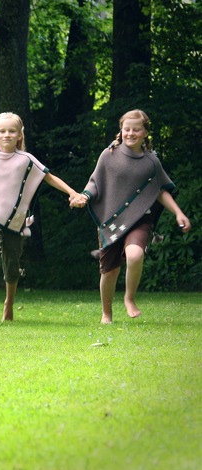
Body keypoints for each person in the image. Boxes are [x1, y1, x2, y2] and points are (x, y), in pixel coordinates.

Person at [0, 112, 78, 322]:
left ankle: (8, 304)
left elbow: (49, 177)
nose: (7, 135)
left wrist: (73, 193)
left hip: (15, 221)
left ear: (20, 135)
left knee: (11, 265)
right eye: (2, 131)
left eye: (12, 131)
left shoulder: (25, 160)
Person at [69, 109, 191, 324]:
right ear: (121, 130)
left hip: (140, 219)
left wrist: (178, 213)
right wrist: (84, 197)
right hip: (111, 221)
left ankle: (129, 298)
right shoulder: (109, 155)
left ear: (145, 133)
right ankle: (106, 314)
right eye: (127, 129)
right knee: (109, 271)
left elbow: (160, 190)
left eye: (137, 129)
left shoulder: (151, 162)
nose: (131, 133)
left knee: (135, 255)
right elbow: (94, 183)